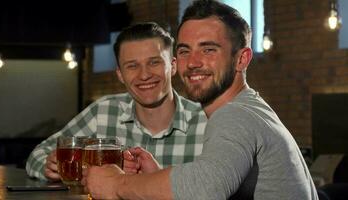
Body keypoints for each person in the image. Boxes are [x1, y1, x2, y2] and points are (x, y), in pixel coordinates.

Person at [81, 0, 319, 199]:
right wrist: (153, 178)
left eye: (208, 50)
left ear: (242, 59)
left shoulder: (235, 114)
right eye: (184, 51)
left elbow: (205, 188)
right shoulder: (251, 107)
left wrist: (117, 184)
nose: (193, 62)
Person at [26, 22, 207, 181]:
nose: (144, 75)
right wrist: (51, 168)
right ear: (120, 74)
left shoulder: (206, 121)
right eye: (132, 66)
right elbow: (38, 155)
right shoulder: (103, 111)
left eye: (154, 62)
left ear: (173, 66)